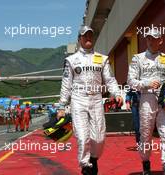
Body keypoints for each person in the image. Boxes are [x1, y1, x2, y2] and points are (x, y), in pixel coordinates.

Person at [57, 25, 123, 175]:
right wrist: (61, 106)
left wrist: (116, 93)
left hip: (96, 99)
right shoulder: (71, 60)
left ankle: (93, 159)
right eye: (84, 36)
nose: (88, 38)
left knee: (98, 138)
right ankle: (86, 166)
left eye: (90, 35)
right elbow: (66, 84)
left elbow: (110, 79)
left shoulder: (102, 59)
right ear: (79, 39)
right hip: (78, 99)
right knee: (82, 136)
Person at [127, 28, 165, 175]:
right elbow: (130, 81)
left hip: (164, 99)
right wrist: (147, 83)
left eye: (154, 38)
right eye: (148, 38)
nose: (151, 41)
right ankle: (146, 163)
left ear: (160, 40)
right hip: (146, 98)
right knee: (146, 133)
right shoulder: (138, 58)